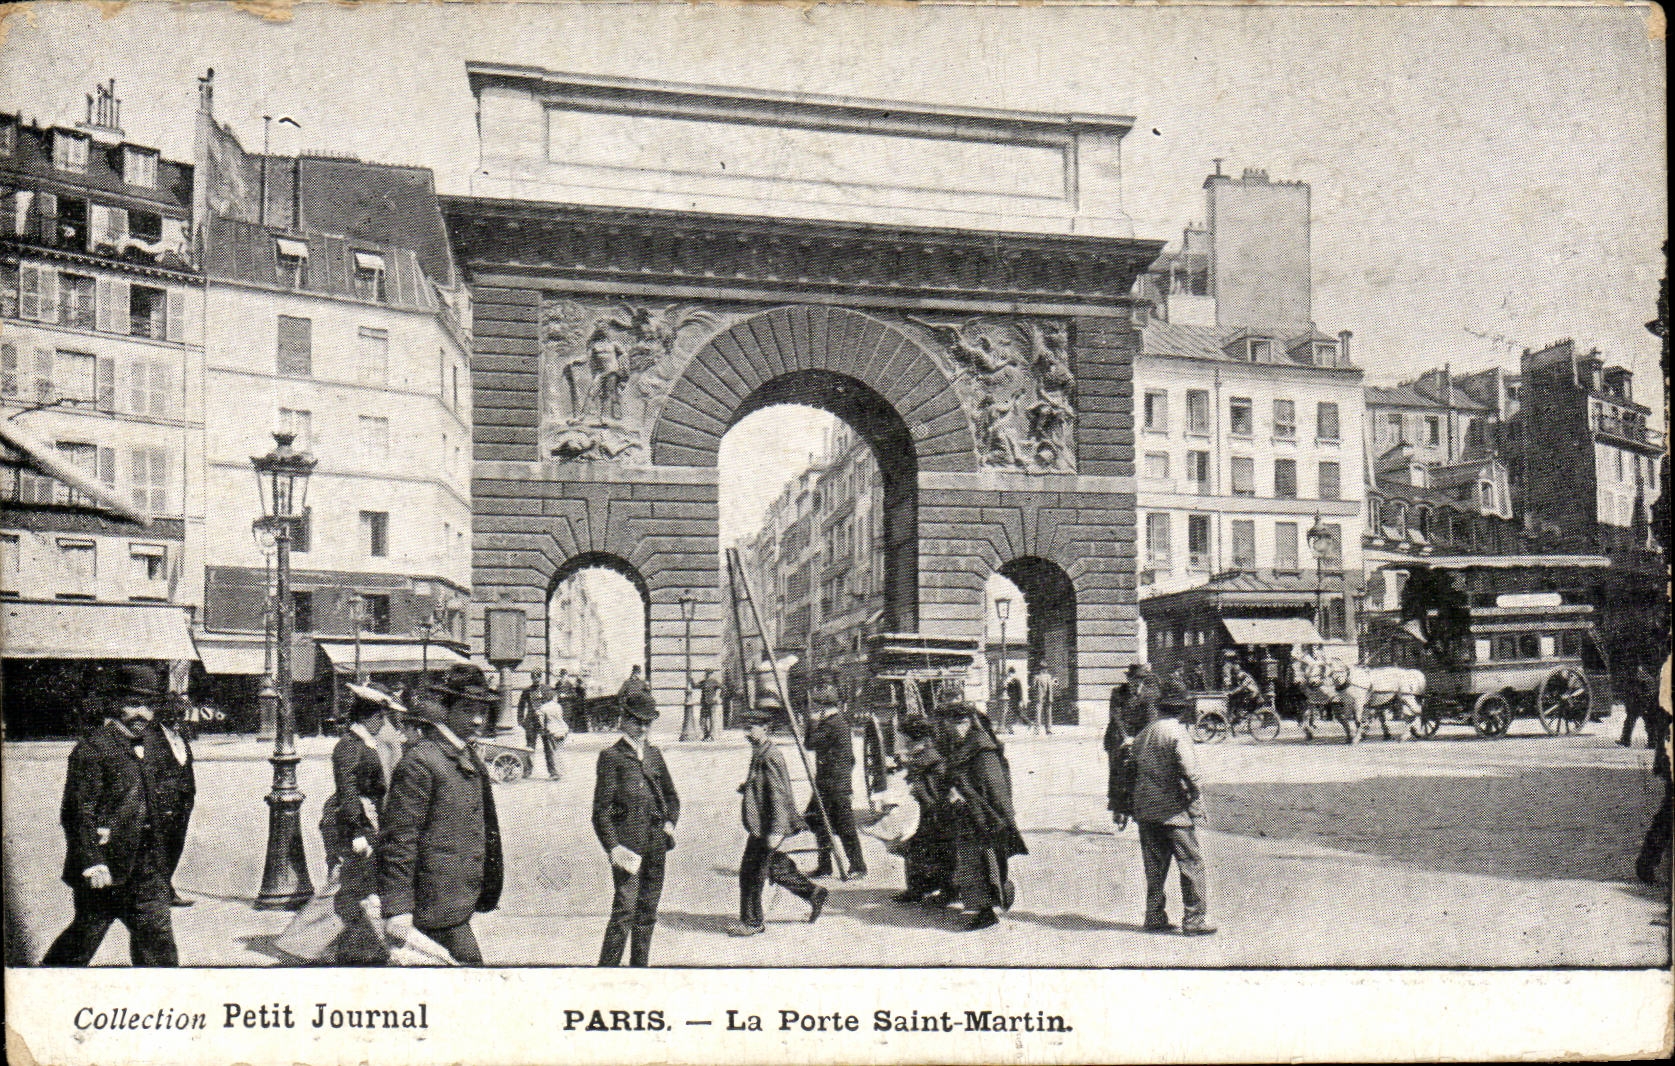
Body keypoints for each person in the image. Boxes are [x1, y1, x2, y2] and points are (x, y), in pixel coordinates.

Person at [41, 666, 180, 966]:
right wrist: (92, 861)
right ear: (115, 704)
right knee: (84, 937)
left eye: (149, 705)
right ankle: (44, 984)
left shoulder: (156, 745)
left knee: (158, 944)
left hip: (147, 870)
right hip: (106, 870)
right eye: (132, 704)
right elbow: (78, 812)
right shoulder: (92, 749)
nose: (142, 713)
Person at [378, 679, 504, 966]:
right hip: (432, 904)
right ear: (446, 710)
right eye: (467, 709)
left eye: (483, 711)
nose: (477, 719)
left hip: (455, 900)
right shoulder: (421, 761)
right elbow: (399, 839)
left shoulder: (465, 753)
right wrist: (397, 907)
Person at [590, 690, 679, 966]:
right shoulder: (611, 756)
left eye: (647, 723)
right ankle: (607, 972)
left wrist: (669, 824)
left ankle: (640, 968)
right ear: (624, 720)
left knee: (648, 911)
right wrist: (613, 846)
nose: (642, 728)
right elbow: (600, 811)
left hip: (656, 844)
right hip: (627, 848)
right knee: (624, 912)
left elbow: (672, 797)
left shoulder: (654, 754)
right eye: (637, 721)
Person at [730, 706, 828, 936]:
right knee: (772, 865)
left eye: (751, 727)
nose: (747, 732)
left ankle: (752, 922)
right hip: (763, 824)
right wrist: (750, 787)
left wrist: (775, 831)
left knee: (751, 872)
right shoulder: (761, 751)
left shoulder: (769, 755)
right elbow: (766, 786)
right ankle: (813, 893)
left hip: (767, 827)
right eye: (745, 727)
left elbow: (779, 795)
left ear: (765, 728)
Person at [1130, 679, 1213, 936]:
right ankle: (1194, 920)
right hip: (1174, 810)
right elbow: (1191, 773)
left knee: (1154, 867)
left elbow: (1131, 768)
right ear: (1182, 709)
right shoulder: (1177, 733)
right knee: (1191, 863)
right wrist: (1197, 803)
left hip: (1146, 808)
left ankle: (1154, 916)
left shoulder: (1145, 733)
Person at [942, 702, 1027, 931]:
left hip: (982, 816)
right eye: (950, 723)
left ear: (968, 722)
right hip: (967, 813)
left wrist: (1005, 819)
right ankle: (980, 907)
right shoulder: (963, 744)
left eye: (956, 723)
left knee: (983, 862)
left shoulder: (982, 748)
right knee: (970, 862)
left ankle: (986, 911)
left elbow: (995, 787)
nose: (951, 728)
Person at [805, 672, 867, 879]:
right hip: (826, 783)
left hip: (835, 786)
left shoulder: (834, 724)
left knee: (845, 826)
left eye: (817, 707)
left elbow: (810, 744)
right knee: (818, 821)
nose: (815, 710)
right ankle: (825, 866)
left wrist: (811, 722)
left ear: (822, 708)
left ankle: (858, 866)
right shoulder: (833, 722)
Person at [894, 713, 956, 905]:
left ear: (910, 738)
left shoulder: (928, 758)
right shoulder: (924, 754)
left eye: (902, 737)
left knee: (938, 850)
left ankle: (945, 891)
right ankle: (918, 889)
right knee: (918, 850)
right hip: (928, 812)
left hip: (934, 813)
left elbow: (932, 790)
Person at [150, 693, 196, 908]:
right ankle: (159, 891)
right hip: (163, 804)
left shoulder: (181, 737)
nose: (179, 718)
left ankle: (165, 887)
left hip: (183, 803)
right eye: (175, 713)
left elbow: (186, 766)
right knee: (159, 847)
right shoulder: (152, 737)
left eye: (181, 713)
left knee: (176, 845)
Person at [517, 671, 553, 751]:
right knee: (530, 747)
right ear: (532, 678)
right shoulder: (527, 690)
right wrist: (521, 720)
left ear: (541, 678)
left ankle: (551, 763)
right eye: (534, 678)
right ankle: (530, 763)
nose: (536, 679)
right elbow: (521, 705)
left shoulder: (547, 689)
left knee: (548, 746)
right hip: (531, 721)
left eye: (538, 677)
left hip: (544, 720)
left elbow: (551, 704)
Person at [1031, 664, 1056, 735]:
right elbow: (1050, 688)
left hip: (1043, 698)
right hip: (1044, 698)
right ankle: (1046, 730)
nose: (1045, 670)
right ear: (1042, 669)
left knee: (1040, 714)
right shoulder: (1046, 677)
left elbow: (1033, 687)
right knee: (1044, 714)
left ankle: (1041, 730)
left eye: (1045, 668)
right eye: (1044, 668)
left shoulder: (1038, 677)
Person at [699, 669, 722, 741]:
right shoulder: (703, 682)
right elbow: (695, 685)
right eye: (707, 673)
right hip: (704, 703)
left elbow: (721, 688)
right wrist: (690, 678)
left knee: (712, 720)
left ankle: (711, 736)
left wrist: (717, 696)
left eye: (709, 673)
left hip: (712, 703)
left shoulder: (714, 682)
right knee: (702, 720)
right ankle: (706, 735)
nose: (708, 675)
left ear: (711, 674)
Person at [1003, 668, 1024, 734]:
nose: (1010, 674)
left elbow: (1020, 691)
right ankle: (1010, 729)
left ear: (1013, 673)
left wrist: (1020, 700)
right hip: (1010, 699)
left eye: (1011, 673)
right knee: (1012, 714)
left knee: (1012, 714)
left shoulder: (1017, 680)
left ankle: (1010, 728)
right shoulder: (1008, 680)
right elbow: (1005, 689)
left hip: (1016, 700)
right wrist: (1006, 685)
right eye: (1009, 673)